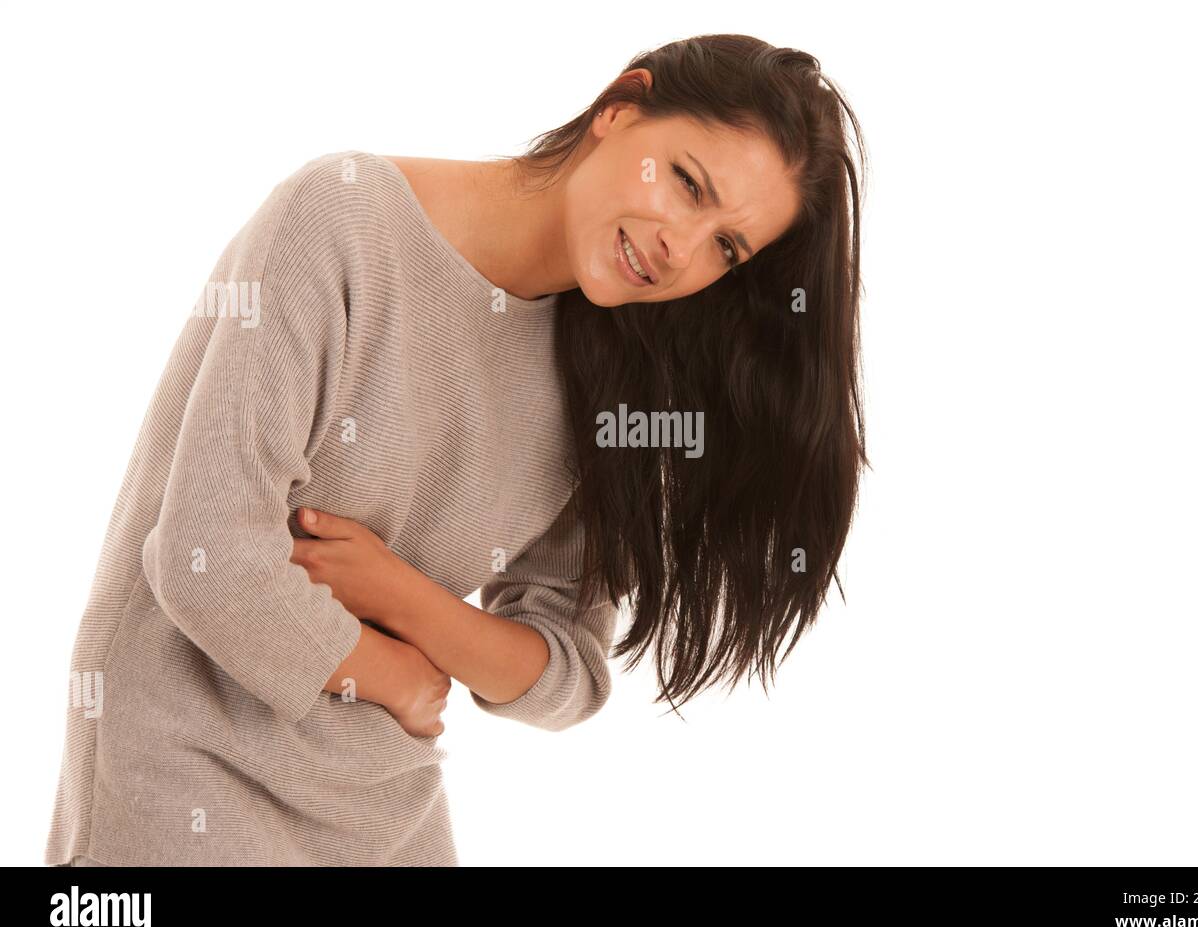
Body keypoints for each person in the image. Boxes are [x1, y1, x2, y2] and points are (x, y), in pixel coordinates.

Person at [44, 32, 868, 866]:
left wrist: (400, 596)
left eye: (727, 248)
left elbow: (566, 675)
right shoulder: (342, 219)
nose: (680, 249)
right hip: (181, 786)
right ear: (619, 110)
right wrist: (390, 673)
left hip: (387, 812)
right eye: (688, 184)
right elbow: (203, 558)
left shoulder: (611, 366)